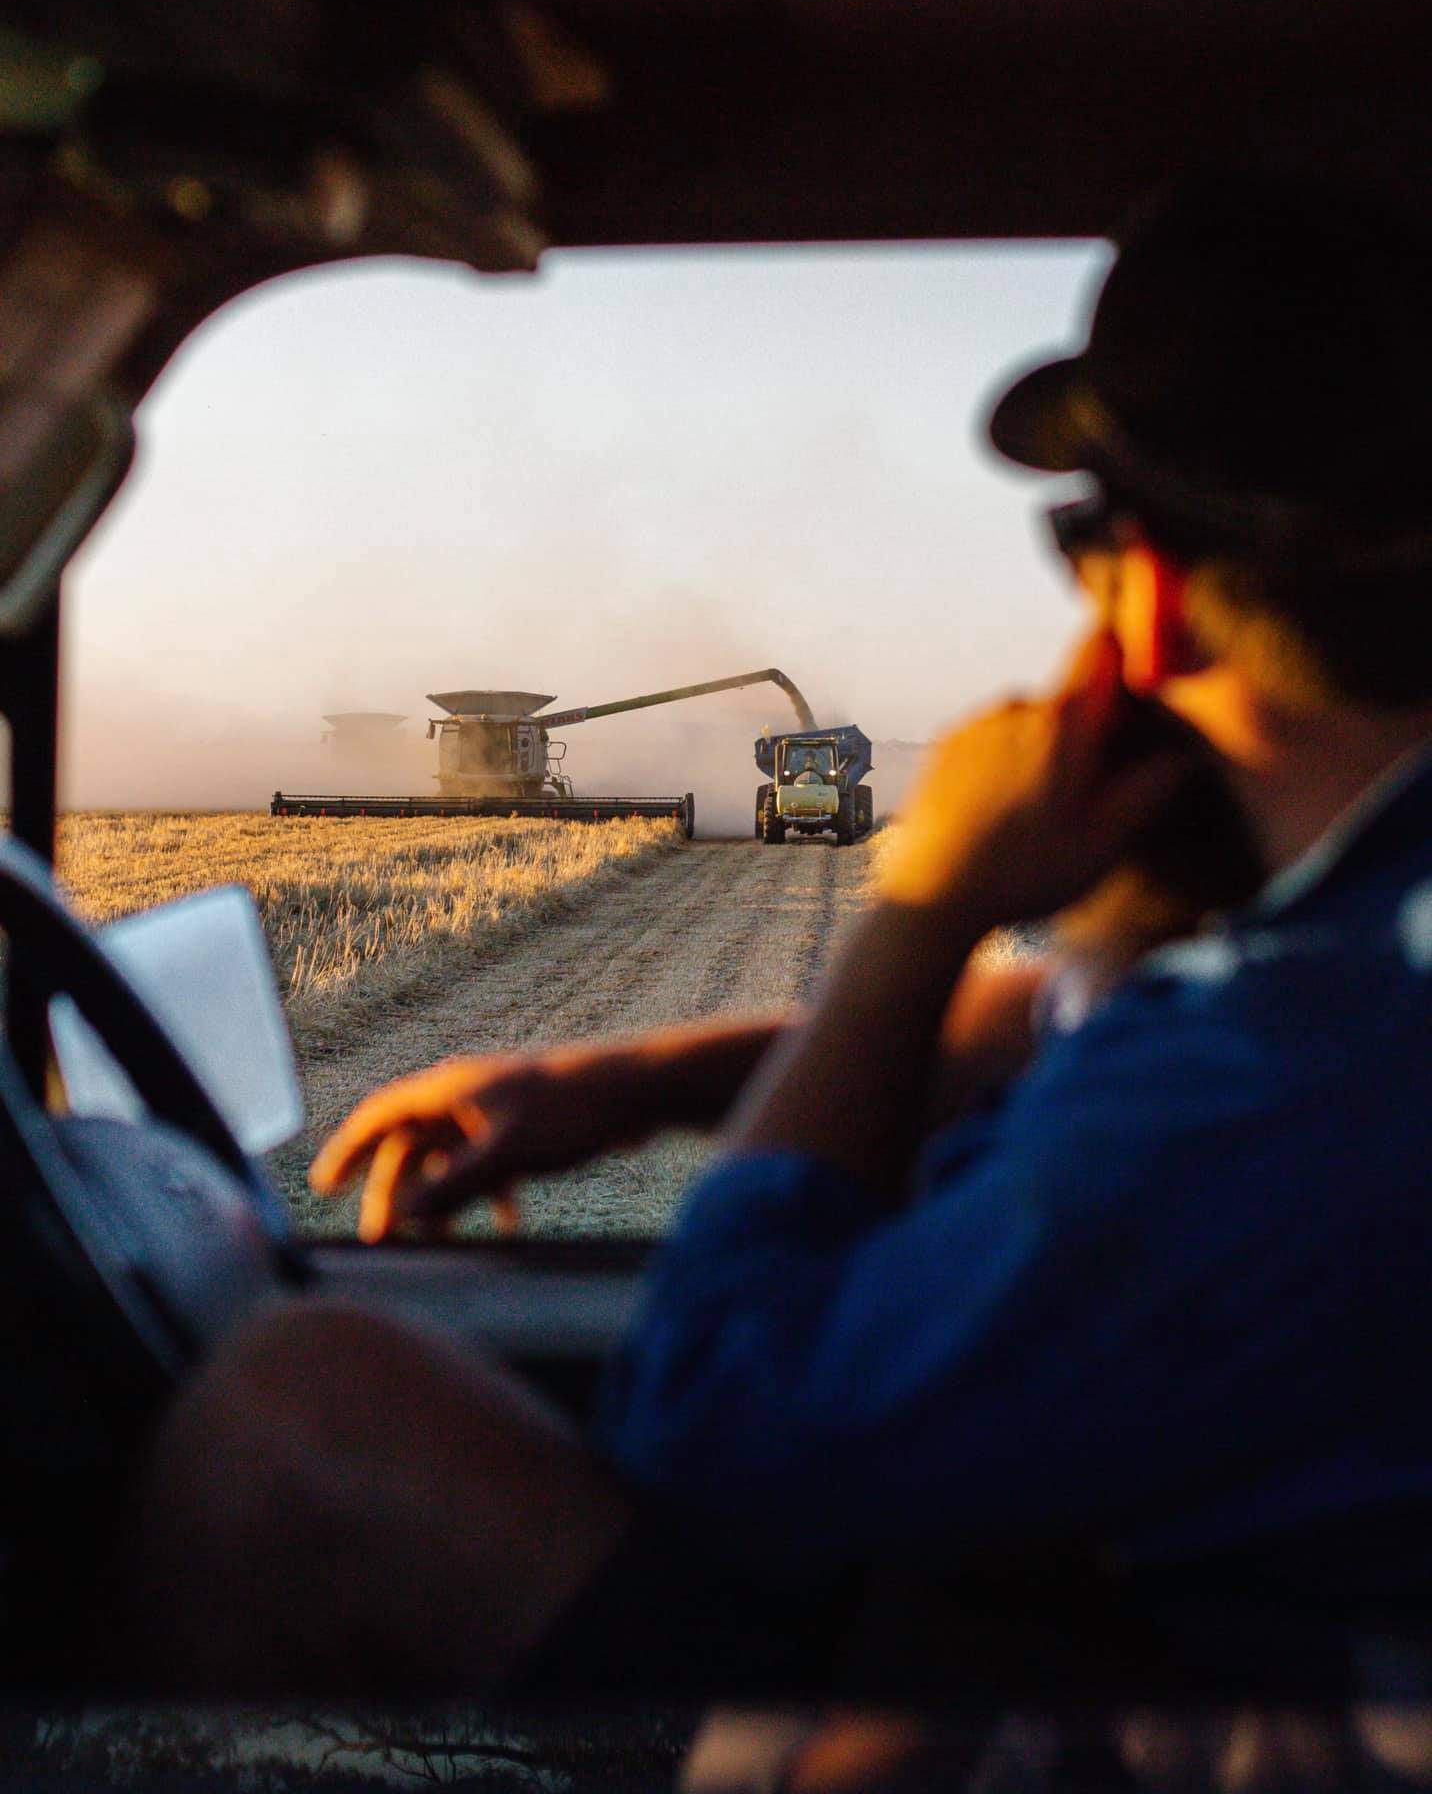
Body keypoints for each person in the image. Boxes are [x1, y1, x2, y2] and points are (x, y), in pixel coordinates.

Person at [109, 171, 1432, 1699]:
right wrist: (634, 1079)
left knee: (304, 1413)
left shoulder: (1281, 1061)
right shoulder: (1343, 960)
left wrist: (921, 914)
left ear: (1144, 594)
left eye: (1079, 541)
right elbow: (1068, 1024)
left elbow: (717, 1425)